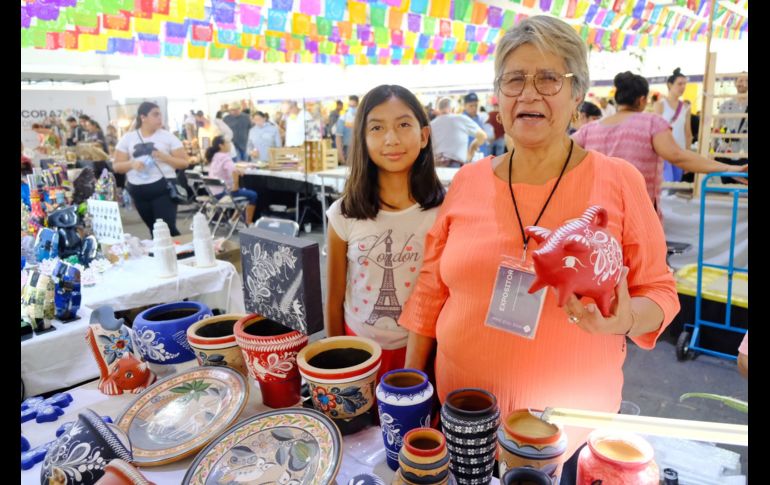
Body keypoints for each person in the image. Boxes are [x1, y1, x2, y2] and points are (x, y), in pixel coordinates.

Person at [399, 17, 681, 483]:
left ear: (577, 93)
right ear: (498, 95)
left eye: (549, 78)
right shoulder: (468, 180)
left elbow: (660, 292)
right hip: (463, 423)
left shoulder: (618, 181)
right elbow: (431, 290)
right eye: (514, 79)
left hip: (568, 437)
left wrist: (627, 318)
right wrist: (411, 398)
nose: (529, 94)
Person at [326, 84, 446, 382]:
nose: (391, 139)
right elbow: (334, 298)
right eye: (377, 128)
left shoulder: (444, 212)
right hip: (357, 349)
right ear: (363, 139)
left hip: (425, 351)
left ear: (424, 136)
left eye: (403, 125)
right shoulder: (343, 213)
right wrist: (335, 363)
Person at [572, 72, 746, 221]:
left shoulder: (589, 129)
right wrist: (729, 168)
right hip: (636, 215)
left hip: (596, 216)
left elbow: (564, 151)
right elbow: (678, 156)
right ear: (642, 100)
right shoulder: (651, 123)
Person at [113, 101, 190, 237]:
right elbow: (117, 166)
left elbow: (184, 163)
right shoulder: (128, 138)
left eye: (160, 115)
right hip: (138, 190)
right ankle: (165, 250)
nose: (160, 118)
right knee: (154, 230)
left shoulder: (168, 137)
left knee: (167, 229)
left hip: (163, 188)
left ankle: (181, 248)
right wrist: (131, 164)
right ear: (143, 117)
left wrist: (164, 157)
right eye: (155, 115)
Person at [205, 135, 258, 224]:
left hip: (214, 194)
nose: (230, 145)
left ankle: (233, 220)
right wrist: (236, 184)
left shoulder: (215, 157)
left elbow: (229, 169)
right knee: (253, 195)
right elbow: (233, 172)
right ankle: (248, 222)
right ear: (221, 145)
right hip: (224, 194)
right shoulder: (225, 158)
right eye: (228, 143)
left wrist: (236, 170)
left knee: (242, 192)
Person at [655, 68, 692, 182]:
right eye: (679, 84)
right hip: (664, 153)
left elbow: (688, 134)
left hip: (679, 154)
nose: (683, 87)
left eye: (684, 84)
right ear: (670, 85)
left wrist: (688, 158)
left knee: (675, 184)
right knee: (666, 185)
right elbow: (655, 131)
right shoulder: (660, 104)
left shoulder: (686, 107)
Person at [430, 97, 487, 166]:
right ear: (453, 109)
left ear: (439, 109)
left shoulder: (431, 124)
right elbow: (482, 136)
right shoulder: (460, 118)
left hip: (435, 166)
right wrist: (472, 149)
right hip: (456, 165)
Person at [715, 72, 748, 183]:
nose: (744, 83)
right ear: (735, 83)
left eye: (746, 81)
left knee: (744, 186)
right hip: (726, 152)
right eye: (740, 80)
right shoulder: (725, 105)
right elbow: (717, 127)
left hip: (745, 153)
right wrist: (713, 150)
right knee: (727, 185)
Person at [462, 92, 491, 157]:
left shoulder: (481, 118)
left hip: (483, 155)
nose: (474, 108)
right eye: (471, 106)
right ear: (465, 106)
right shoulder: (461, 120)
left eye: (476, 105)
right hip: (468, 157)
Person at [336, 95, 359, 162]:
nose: (351, 108)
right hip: (347, 149)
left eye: (353, 106)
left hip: (359, 148)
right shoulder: (343, 118)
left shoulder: (361, 118)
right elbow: (338, 137)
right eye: (350, 106)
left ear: (357, 105)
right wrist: (341, 155)